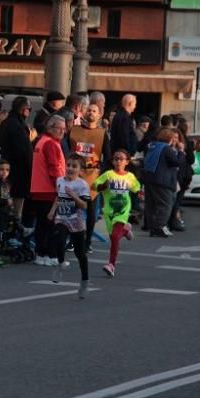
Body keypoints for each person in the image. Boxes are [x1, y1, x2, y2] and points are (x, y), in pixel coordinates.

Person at [48, 155, 91, 298]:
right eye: (68, 165)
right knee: (59, 238)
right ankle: (60, 263)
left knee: (81, 254)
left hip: (76, 221)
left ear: (80, 170)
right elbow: (58, 197)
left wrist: (74, 196)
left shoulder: (82, 185)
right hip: (62, 218)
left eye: (74, 166)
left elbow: (84, 205)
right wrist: (52, 211)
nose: (70, 168)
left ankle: (84, 282)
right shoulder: (59, 180)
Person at [67, 102, 110, 248]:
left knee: (91, 210)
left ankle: (87, 242)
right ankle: (72, 240)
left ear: (99, 115)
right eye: (89, 110)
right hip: (74, 173)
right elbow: (66, 149)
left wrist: (103, 174)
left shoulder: (102, 134)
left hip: (93, 174)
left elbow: (108, 157)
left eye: (94, 111)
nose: (91, 113)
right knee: (72, 208)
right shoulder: (74, 130)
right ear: (85, 113)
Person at [93, 149, 140, 278]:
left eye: (121, 159)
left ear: (127, 162)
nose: (118, 161)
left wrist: (140, 195)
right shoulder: (108, 175)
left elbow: (137, 188)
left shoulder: (130, 176)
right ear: (113, 161)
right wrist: (103, 186)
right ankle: (125, 231)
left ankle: (111, 265)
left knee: (114, 237)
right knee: (113, 236)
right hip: (109, 211)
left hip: (123, 211)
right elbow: (94, 186)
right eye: (116, 159)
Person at [30, 115, 67, 266]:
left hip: (39, 189)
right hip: (49, 190)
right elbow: (54, 168)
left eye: (64, 129)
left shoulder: (41, 141)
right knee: (50, 225)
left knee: (42, 224)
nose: (62, 132)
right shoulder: (51, 143)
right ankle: (48, 254)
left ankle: (42, 254)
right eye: (59, 128)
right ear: (50, 127)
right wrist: (61, 186)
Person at [142, 128, 188, 237]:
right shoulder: (166, 149)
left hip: (150, 178)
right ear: (170, 139)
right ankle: (159, 226)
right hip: (163, 180)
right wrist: (181, 151)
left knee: (151, 205)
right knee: (166, 205)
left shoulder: (152, 146)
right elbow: (177, 162)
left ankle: (152, 227)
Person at [0, 96, 33, 222]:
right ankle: (12, 235)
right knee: (16, 209)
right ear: (23, 109)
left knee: (5, 203)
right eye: (29, 109)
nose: (29, 112)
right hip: (18, 174)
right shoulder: (18, 126)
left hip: (7, 171)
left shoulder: (6, 123)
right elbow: (24, 152)